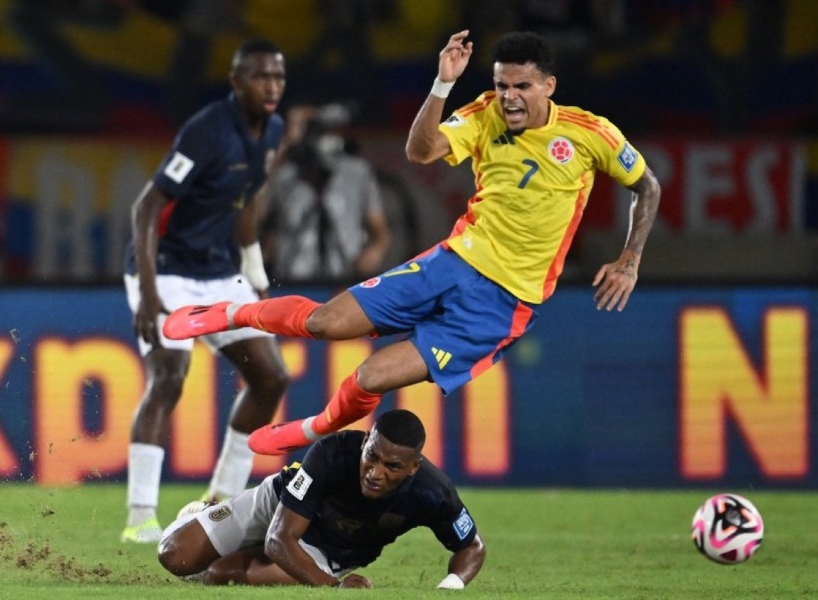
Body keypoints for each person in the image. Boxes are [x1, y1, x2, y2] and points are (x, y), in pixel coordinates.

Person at [161, 29, 662, 456]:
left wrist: (630, 259)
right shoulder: (484, 113)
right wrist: (444, 82)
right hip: (453, 263)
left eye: (522, 86)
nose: (509, 96)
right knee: (325, 322)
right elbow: (420, 151)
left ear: (548, 86)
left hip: (501, 304)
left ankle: (316, 428)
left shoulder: (589, 133)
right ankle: (228, 314)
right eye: (501, 84)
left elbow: (647, 187)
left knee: (371, 377)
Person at [120, 38, 291, 542]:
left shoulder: (273, 128)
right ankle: (140, 519)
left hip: (219, 272)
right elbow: (146, 209)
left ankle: (220, 506)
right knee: (171, 373)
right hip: (167, 270)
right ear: (237, 81)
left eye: (279, 77)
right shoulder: (207, 130)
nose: (272, 87)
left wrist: (255, 273)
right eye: (262, 77)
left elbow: (246, 202)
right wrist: (149, 295)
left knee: (270, 377)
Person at [157, 409, 485, 589]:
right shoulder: (332, 451)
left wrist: (451, 588)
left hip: (329, 548)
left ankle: (233, 549)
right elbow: (279, 539)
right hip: (282, 506)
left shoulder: (432, 492)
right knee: (174, 556)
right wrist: (332, 589)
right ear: (365, 441)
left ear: (414, 468)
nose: (375, 472)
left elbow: (471, 546)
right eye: (372, 456)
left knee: (218, 574)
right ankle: (212, 516)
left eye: (392, 467)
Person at [261, 102, 391, 284]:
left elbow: (379, 230)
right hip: (292, 280)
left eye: (324, 129)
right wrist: (286, 147)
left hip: (345, 280)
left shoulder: (357, 172)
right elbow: (254, 216)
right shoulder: (283, 175)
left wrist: (373, 253)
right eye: (312, 130)